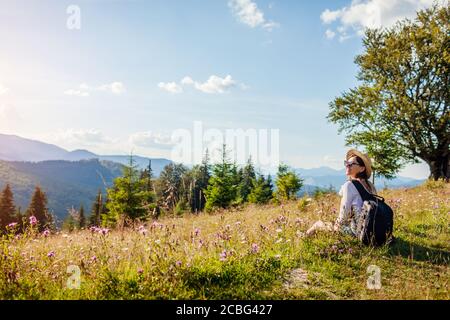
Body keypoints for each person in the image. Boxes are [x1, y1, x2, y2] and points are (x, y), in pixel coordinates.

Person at [306, 149, 377, 237]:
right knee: (327, 224)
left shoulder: (349, 185)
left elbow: (344, 215)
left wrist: (335, 227)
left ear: (362, 168)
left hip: (357, 233)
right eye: (346, 163)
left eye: (351, 164)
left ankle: (304, 238)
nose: (347, 165)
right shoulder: (370, 185)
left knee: (318, 224)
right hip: (371, 231)